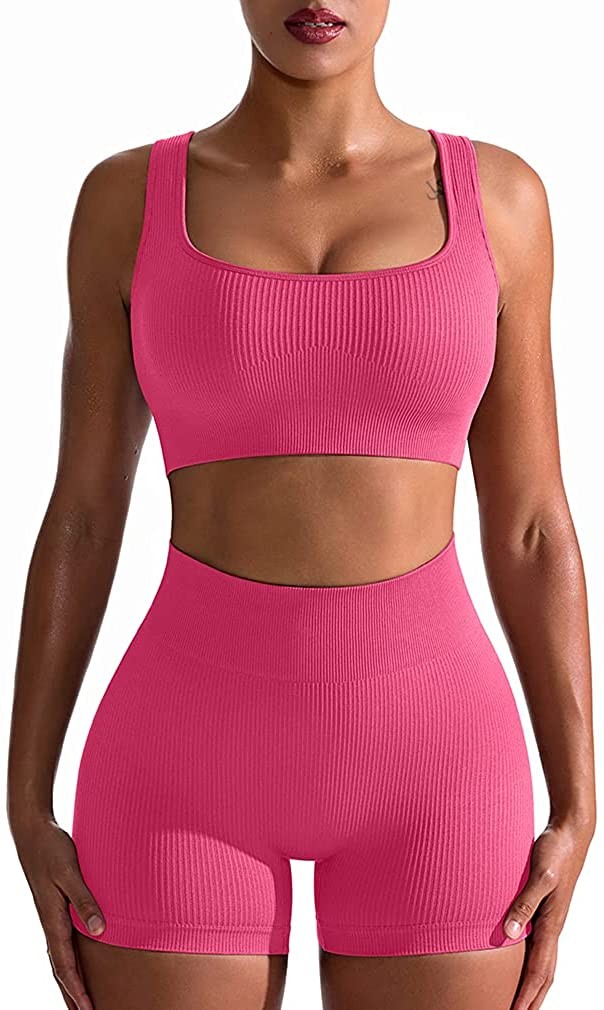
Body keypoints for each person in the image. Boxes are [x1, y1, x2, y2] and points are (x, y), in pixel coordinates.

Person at [7, 2, 596, 1009]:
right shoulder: (125, 199)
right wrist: (24, 794)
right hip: (179, 758)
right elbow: (82, 518)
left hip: (438, 759)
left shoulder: (501, 198)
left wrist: (579, 800)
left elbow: (533, 524)